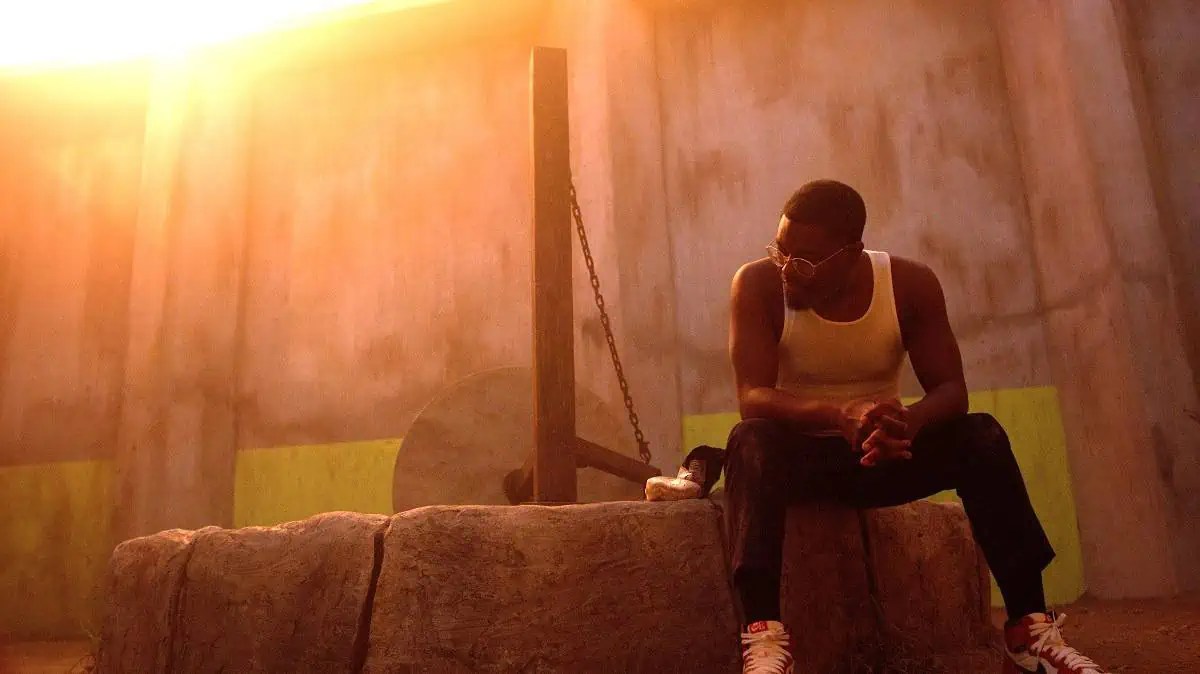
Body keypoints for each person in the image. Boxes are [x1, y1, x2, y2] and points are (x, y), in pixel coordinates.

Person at [652, 180, 1109, 674]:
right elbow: (753, 398)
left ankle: (1029, 630)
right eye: (781, 250)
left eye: (805, 260)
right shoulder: (758, 285)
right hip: (804, 462)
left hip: (885, 456)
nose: (788, 269)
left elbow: (952, 391)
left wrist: (905, 425)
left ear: (852, 252)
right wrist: (840, 414)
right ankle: (763, 640)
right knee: (750, 441)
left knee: (983, 437)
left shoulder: (910, 285)